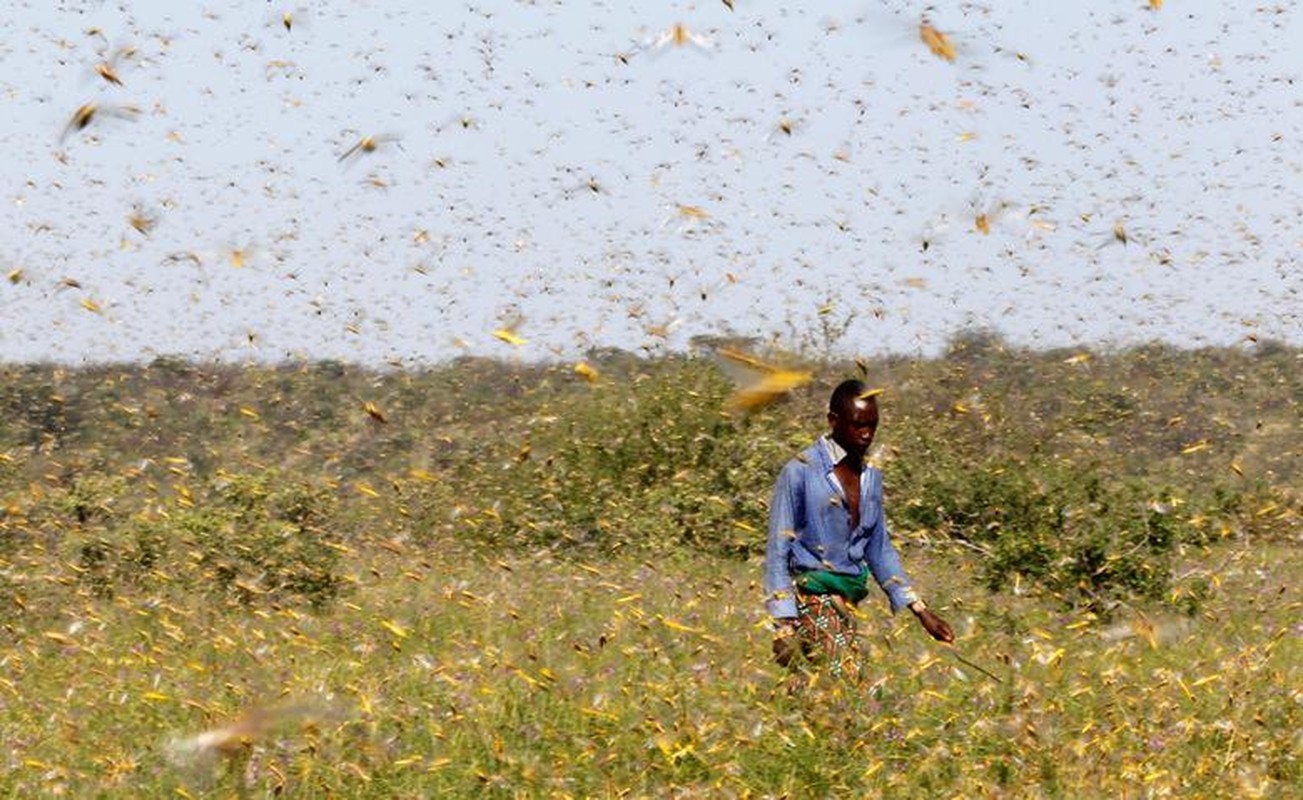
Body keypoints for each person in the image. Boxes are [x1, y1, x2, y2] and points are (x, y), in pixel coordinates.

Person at [765, 379, 954, 678]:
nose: (867, 434)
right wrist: (783, 621)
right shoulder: (800, 471)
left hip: (848, 601)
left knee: (817, 689)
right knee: (849, 683)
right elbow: (778, 548)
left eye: (872, 426)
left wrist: (921, 610)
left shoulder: (870, 477)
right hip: (811, 597)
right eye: (858, 425)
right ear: (833, 421)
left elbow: (879, 550)